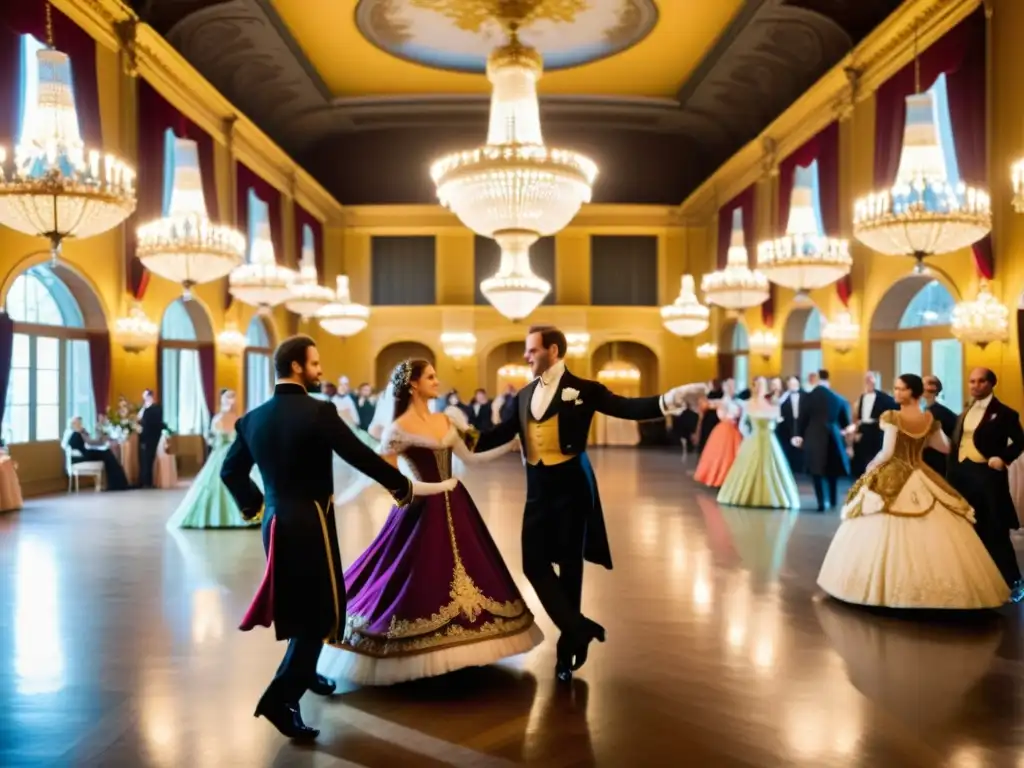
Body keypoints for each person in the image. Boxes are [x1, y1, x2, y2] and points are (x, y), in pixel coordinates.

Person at [472, 325, 701, 682]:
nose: (526, 356)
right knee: (532, 564)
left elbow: (627, 407)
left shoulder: (584, 390)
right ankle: (579, 627)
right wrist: (450, 436)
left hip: (572, 488)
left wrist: (669, 400)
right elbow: (498, 435)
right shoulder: (524, 395)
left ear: (553, 350)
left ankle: (568, 652)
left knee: (570, 570)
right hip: (537, 489)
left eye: (532, 350)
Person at [220, 335, 414, 741]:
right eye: (315, 362)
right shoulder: (317, 411)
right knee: (321, 613)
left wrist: (254, 504)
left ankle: (308, 674)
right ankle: (281, 697)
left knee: (298, 603)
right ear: (296, 367)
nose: (320, 369)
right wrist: (399, 485)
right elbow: (357, 454)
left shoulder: (252, 419)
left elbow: (230, 472)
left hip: (274, 521)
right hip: (310, 522)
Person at [317, 360, 542, 686]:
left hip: (457, 504)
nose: (438, 381)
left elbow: (470, 458)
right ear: (413, 385)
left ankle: (466, 644)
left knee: (470, 573)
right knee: (419, 576)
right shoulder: (396, 429)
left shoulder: (445, 420)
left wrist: (511, 444)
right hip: (418, 507)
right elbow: (389, 479)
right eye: (431, 377)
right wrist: (433, 488)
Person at [817, 374, 1008, 608]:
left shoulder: (892, 417)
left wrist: (871, 466)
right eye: (895, 389)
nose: (896, 393)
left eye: (901, 389)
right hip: (921, 472)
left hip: (894, 472)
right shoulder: (929, 418)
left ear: (914, 392)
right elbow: (946, 447)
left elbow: (887, 453)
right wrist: (925, 441)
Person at [947, 368, 1024, 602]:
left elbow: (1020, 441)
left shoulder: (1005, 413)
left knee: (995, 530)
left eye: (981, 381)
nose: (975, 385)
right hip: (961, 475)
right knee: (965, 529)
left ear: (991, 384)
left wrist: (1003, 458)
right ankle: (977, 580)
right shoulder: (965, 412)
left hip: (987, 476)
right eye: (972, 381)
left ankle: (1015, 582)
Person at [167, 389, 258, 529]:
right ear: (222, 399)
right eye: (227, 397)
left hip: (235, 455)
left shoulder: (239, 418)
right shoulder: (218, 419)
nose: (230, 400)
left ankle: (246, 513)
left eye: (233, 397)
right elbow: (212, 439)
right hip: (219, 455)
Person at [717, 378, 800, 509]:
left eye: (762, 385)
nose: (760, 388)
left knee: (772, 467)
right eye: (757, 385)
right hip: (754, 440)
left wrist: (770, 427)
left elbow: (778, 421)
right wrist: (748, 436)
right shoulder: (748, 404)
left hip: (769, 440)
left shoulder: (773, 403)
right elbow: (743, 424)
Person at [792, 369, 850, 512]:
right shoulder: (838, 398)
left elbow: (802, 419)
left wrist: (798, 435)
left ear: (816, 380)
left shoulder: (808, 397)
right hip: (833, 437)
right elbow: (845, 423)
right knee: (832, 471)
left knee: (816, 472)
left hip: (814, 436)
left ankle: (821, 503)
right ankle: (833, 500)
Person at [693, 379, 742, 488]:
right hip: (725, 430)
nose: (734, 388)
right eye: (731, 386)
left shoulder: (734, 401)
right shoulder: (723, 401)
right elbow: (707, 405)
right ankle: (721, 478)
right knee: (723, 455)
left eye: (734, 386)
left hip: (734, 430)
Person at [61, 416, 130, 491]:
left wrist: (100, 438)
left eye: (80, 423)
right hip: (80, 458)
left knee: (107, 453)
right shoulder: (72, 433)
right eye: (78, 423)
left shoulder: (80, 432)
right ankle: (118, 483)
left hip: (85, 454)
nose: (80, 424)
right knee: (107, 454)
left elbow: (90, 442)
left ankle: (118, 483)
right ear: (73, 424)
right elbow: (82, 445)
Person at [851, 372, 898, 479]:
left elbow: (894, 408)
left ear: (876, 380)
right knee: (861, 457)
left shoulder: (884, 398)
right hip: (864, 429)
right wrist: (857, 431)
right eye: (866, 379)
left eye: (870, 379)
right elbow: (859, 417)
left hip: (876, 430)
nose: (868, 381)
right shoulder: (862, 397)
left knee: (875, 457)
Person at [922, 375, 957, 476]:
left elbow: (953, 442)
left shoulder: (945, 414)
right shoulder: (916, 411)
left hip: (936, 464)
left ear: (933, 388)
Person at [777, 375, 804, 474]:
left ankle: (800, 468)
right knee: (787, 447)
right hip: (787, 425)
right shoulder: (784, 397)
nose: (793, 385)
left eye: (795, 383)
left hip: (801, 423)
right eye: (790, 384)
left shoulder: (805, 395)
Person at [138, 389, 165, 488]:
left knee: (147, 460)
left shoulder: (149, 410)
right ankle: (148, 481)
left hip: (148, 437)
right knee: (149, 460)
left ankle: (146, 481)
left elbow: (144, 423)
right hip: (154, 436)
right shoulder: (158, 408)